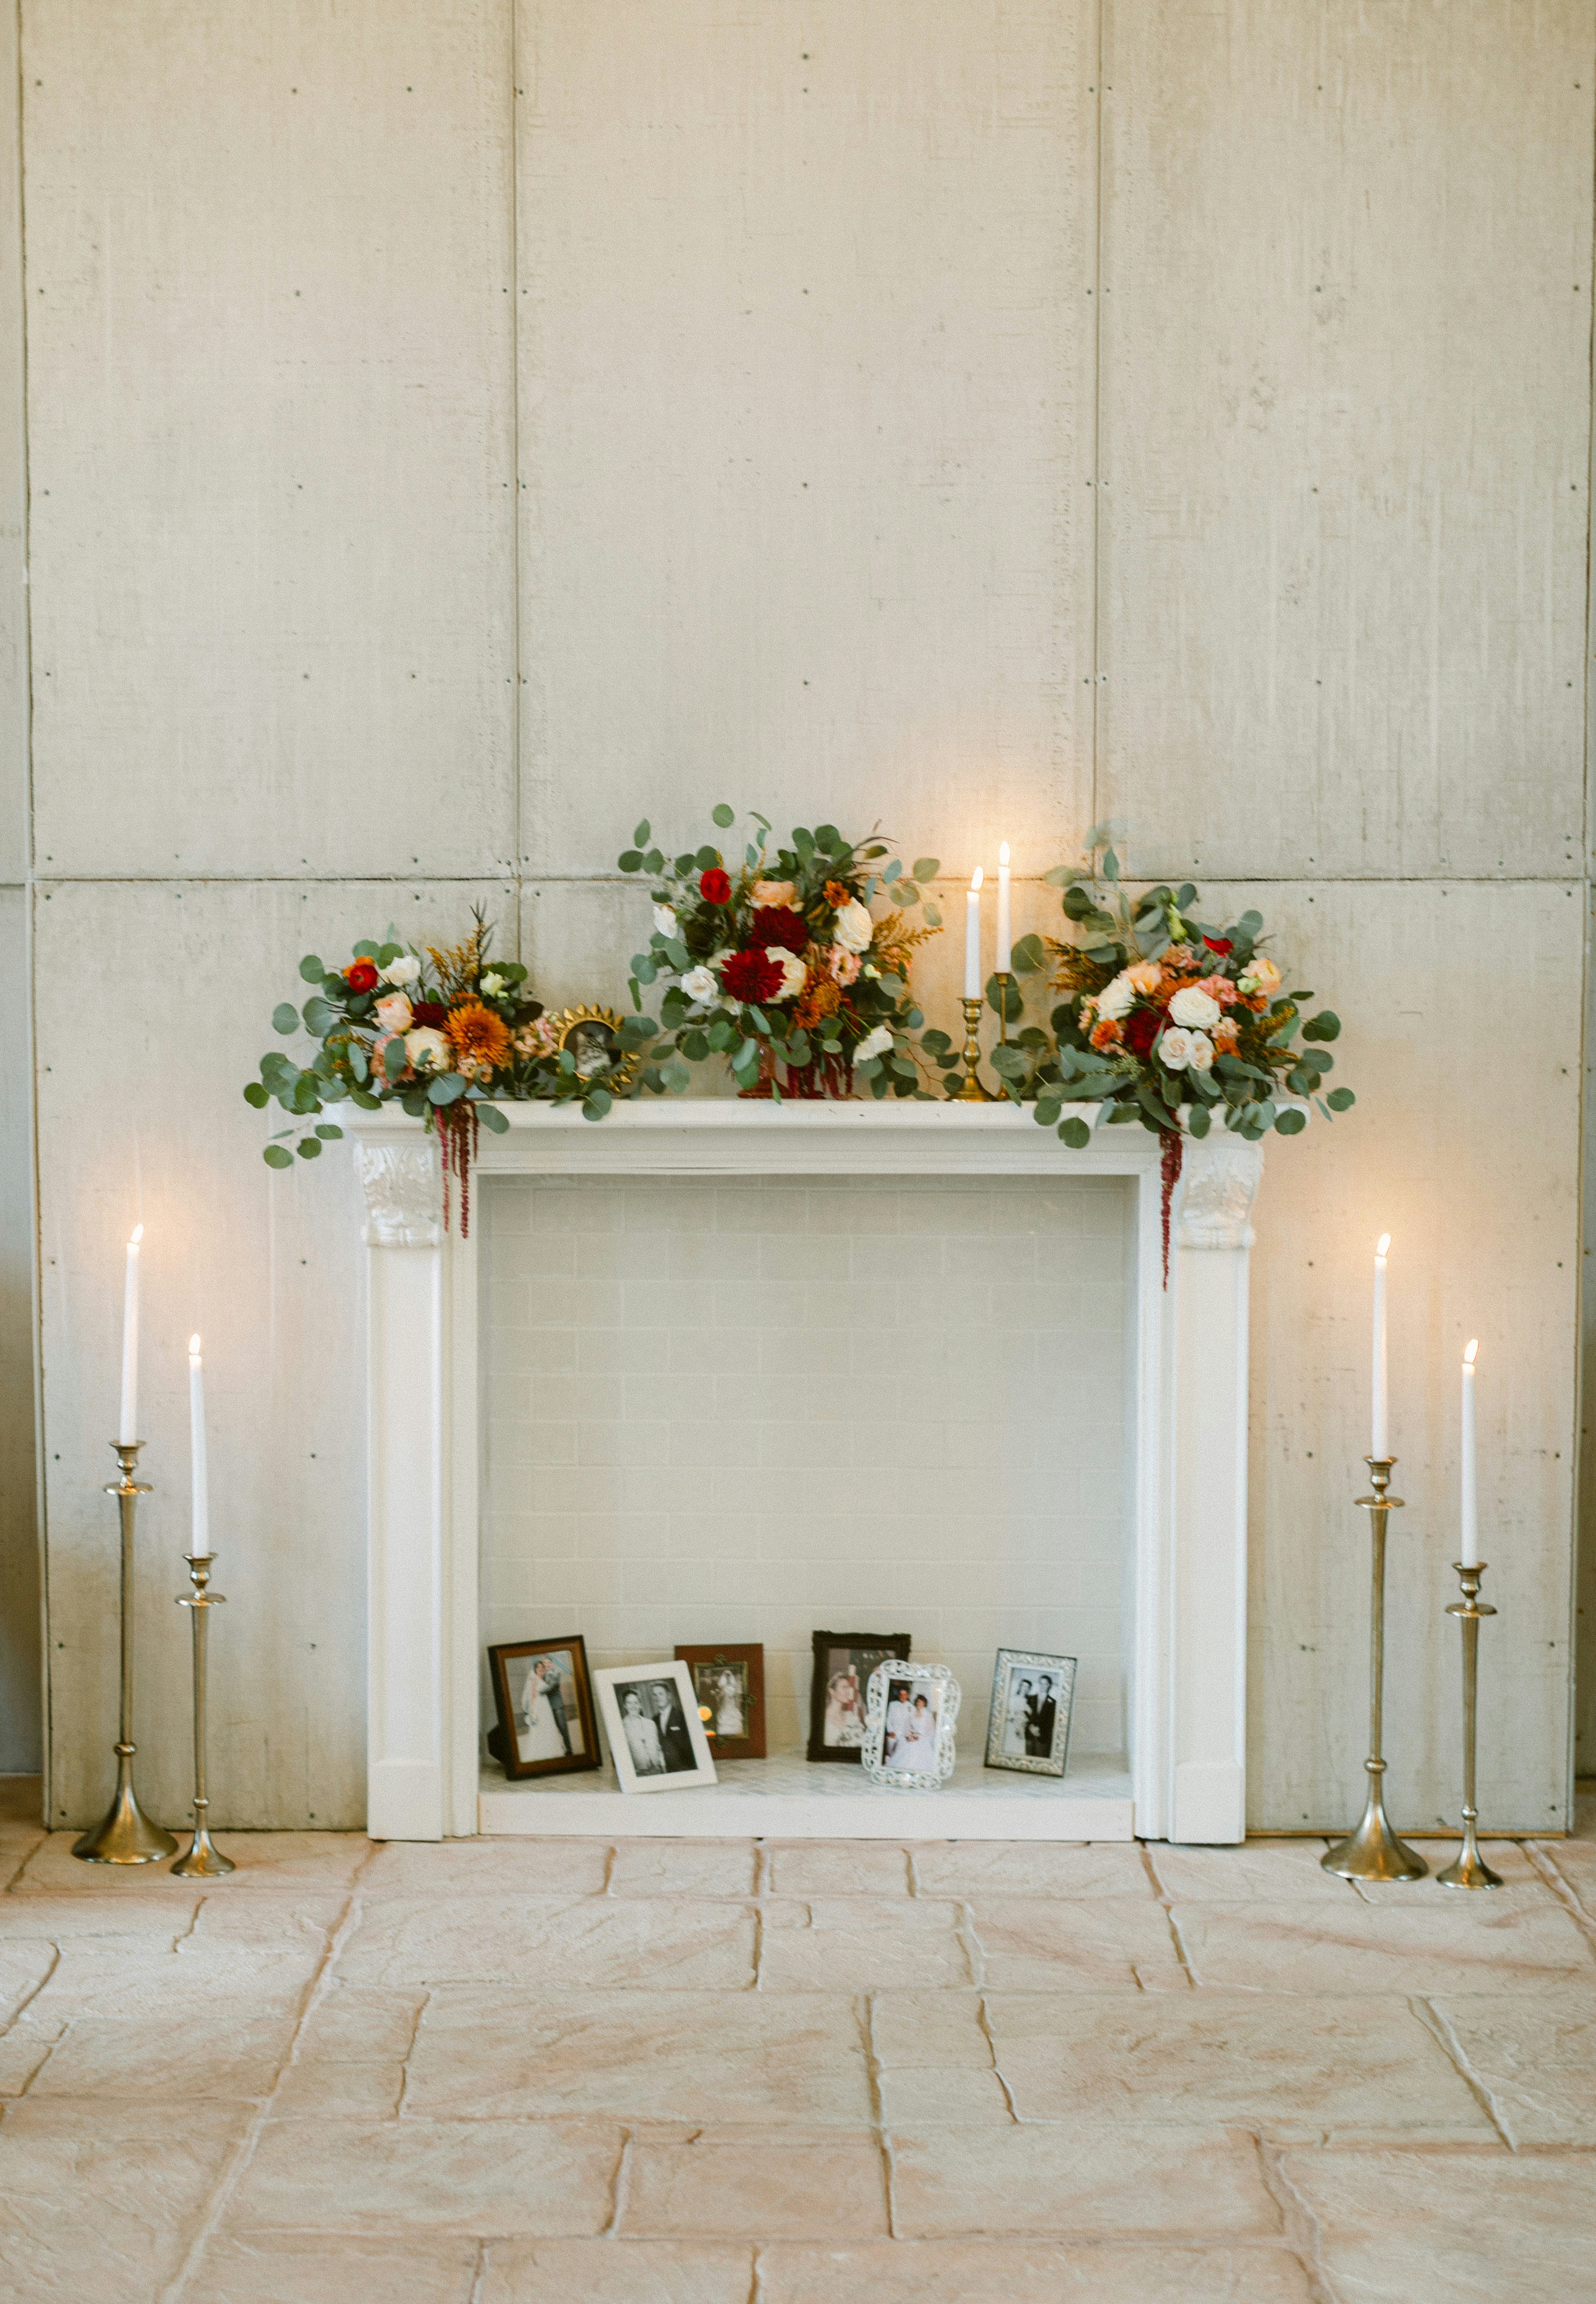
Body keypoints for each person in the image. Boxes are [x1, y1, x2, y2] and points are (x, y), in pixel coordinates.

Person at [519, 1660, 569, 1763]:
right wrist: (533, 1712)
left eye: (542, 1668)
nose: (541, 1669)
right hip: (539, 1707)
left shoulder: (546, 1678)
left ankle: (552, 1750)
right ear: (535, 1670)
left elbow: (552, 1686)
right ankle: (541, 1752)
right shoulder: (534, 1679)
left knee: (549, 1727)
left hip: (547, 1707)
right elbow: (532, 1696)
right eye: (539, 1668)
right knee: (540, 1728)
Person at [529, 1655, 573, 1755]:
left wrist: (539, 1691)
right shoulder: (543, 1675)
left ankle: (569, 1749)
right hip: (548, 1708)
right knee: (552, 1730)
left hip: (557, 1706)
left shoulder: (556, 1673)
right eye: (545, 1663)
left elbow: (553, 1686)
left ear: (552, 1663)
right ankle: (558, 1749)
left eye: (548, 1662)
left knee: (563, 1728)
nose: (547, 1664)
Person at [651, 1681, 695, 1771]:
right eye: (655, 1695)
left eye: (661, 1694)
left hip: (686, 1768)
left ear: (669, 1696)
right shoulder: (654, 1720)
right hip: (668, 1769)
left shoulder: (682, 1716)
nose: (658, 1698)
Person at [620, 1689, 665, 1774]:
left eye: (636, 1703)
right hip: (638, 1773)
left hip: (658, 1770)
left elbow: (658, 1747)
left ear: (640, 1705)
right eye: (629, 1703)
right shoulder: (621, 1727)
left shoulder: (651, 1724)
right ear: (625, 1706)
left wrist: (663, 1766)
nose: (633, 1706)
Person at [824, 1667, 866, 1748]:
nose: (849, 1691)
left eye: (848, 1688)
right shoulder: (823, 1719)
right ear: (832, 1692)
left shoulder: (851, 1717)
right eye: (844, 1688)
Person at [897, 1690, 939, 1771]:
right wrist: (910, 1735)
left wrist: (919, 1737)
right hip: (913, 1737)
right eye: (918, 1702)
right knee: (905, 1746)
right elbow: (909, 1727)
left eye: (921, 1702)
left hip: (923, 1738)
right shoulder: (913, 1714)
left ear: (924, 1704)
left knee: (917, 1748)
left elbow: (930, 1730)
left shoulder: (928, 1715)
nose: (919, 1704)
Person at [1026, 1674, 1057, 1760]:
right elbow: (1026, 1715)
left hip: (1043, 1738)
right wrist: (1031, 1727)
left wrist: (1040, 1730)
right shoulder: (1031, 1699)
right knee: (1028, 1759)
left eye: (1045, 1684)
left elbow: (1051, 1722)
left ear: (1049, 1685)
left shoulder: (1053, 1703)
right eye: (1041, 1683)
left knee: (1041, 1760)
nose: (1043, 1686)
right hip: (1030, 1736)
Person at [883, 1678, 913, 1762]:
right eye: (901, 1694)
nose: (903, 1697)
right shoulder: (893, 1705)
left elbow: (912, 1723)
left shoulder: (912, 1708)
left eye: (905, 1695)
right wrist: (891, 1731)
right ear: (899, 1695)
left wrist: (909, 1734)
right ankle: (890, 1759)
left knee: (902, 1748)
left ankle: (898, 1762)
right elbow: (889, 1719)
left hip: (905, 1734)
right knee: (890, 1741)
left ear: (908, 1696)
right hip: (894, 1732)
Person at [713, 1667, 745, 1738]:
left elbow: (735, 1696)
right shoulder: (723, 1688)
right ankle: (724, 1731)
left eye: (729, 1677)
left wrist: (734, 1699)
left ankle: (733, 1730)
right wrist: (718, 1696)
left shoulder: (733, 1687)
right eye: (726, 1677)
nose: (728, 1678)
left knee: (732, 1714)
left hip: (731, 1703)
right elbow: (721, 1696)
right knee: (724, 1714)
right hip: (725, 1703)